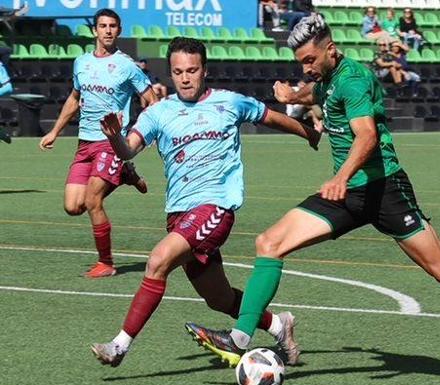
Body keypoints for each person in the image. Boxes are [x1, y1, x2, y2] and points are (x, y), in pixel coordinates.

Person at [185, 15, 440, 367]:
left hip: (383, 188)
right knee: (269, 243)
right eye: (301, 61)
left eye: (309, 59)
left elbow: (366, 136)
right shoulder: (328, 76)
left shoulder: (352, 80)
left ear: (330, 50)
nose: (305, 68)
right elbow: (318, 92)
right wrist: (292, 97)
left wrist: (340, 176)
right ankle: (239, 338)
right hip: (348, 195)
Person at [90, 36, 321, 367]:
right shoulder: (159, 113)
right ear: (170, 73)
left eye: (192, 70)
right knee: (219, 298)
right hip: (179, 215)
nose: (185, 78)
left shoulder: (230, 102)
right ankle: (278, 325)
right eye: (178, 71)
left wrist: (308, 132)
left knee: (158, 260)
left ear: (205, 70)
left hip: (214, 208)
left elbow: (270, 116)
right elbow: (129, 150)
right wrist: (114, 137)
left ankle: (119, 345)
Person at [38, 8, 158, 278]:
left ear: (119, 30)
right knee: (73, 207)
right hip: (84, 143)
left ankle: (106, 263)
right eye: (102, 25)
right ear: (94, 30)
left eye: (112, 26)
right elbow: (73, 99)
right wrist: (55, 131)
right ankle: (125, 174)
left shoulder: (127, 65)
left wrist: (145, 134)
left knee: (93, 201)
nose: (107, 30)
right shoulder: (81, 62)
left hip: (111, 143)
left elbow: (152, 101)